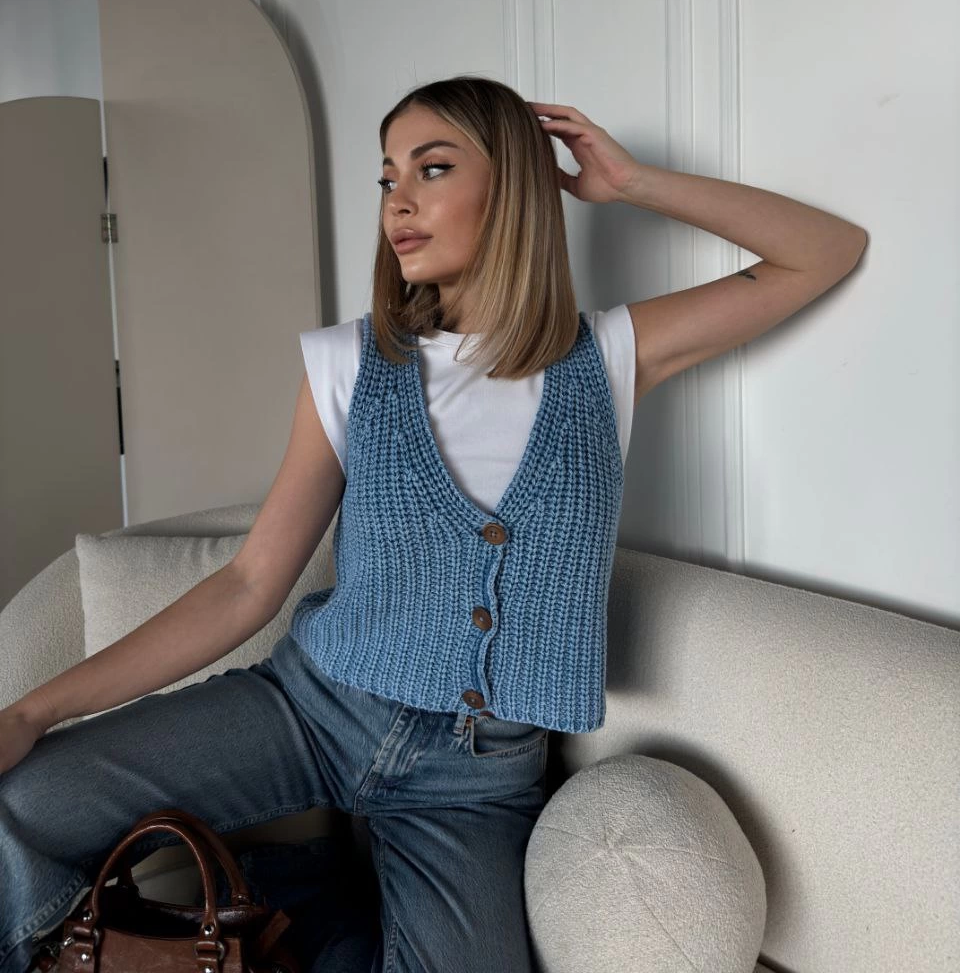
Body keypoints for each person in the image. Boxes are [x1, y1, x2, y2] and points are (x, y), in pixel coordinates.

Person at [0, 74, 867, 972]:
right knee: (18, 808)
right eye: (387, 178)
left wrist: (631, 182)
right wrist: (31, 712)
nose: (398, 201)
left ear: (514, 187)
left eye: (433, 168)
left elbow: (824, 252)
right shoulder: (350, 363)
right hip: (310, 709)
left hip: (474, 780)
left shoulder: (608, 358)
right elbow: (250, 583)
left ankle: (307, 906)